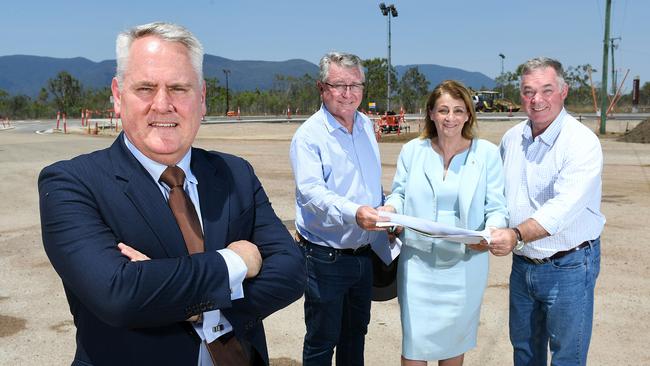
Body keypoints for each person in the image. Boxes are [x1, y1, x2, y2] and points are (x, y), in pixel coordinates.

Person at [38, 22, 305, 366]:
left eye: (179, 88)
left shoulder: (235, 173)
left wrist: (172, 296)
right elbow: (119, 295)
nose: (163, 105)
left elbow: (291, 272)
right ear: (118, 96)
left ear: (202, 98)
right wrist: (237, 262)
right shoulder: (71, 183)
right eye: (146, 88)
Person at [382, 80, 508, 366]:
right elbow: (399, 194)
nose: (450, 118)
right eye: (443, 110)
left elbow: (497, 207)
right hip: (418, 266)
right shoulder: (413, 151)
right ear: (430, 113)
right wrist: (390, 210)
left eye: (458, 110)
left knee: (453, 349)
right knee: (413, 347)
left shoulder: (487, 154)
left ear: (468, 115)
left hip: (464, 266)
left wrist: (489, 234)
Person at [489, 57, 605, 365]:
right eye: (528, 91)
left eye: (546, 90)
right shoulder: (512, 139)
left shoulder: (582, 143)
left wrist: (514, 234)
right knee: (525, 352)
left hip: (568, 265)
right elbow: (498, 196)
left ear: (563, 91)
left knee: (567, 356)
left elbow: (562, 209)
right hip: (523, 265)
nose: (537, 100)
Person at [289, 51, 388, 366]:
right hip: (325, 258)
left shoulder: (367, 127)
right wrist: (356, 212)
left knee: (355, 335)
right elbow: (311, 193)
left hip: (364, 256)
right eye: (339, 85)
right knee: (321, 340)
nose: (348, 93)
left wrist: (385, 210)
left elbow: (371, 184)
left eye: (355, 85)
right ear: (322, 88)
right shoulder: (308, 136)